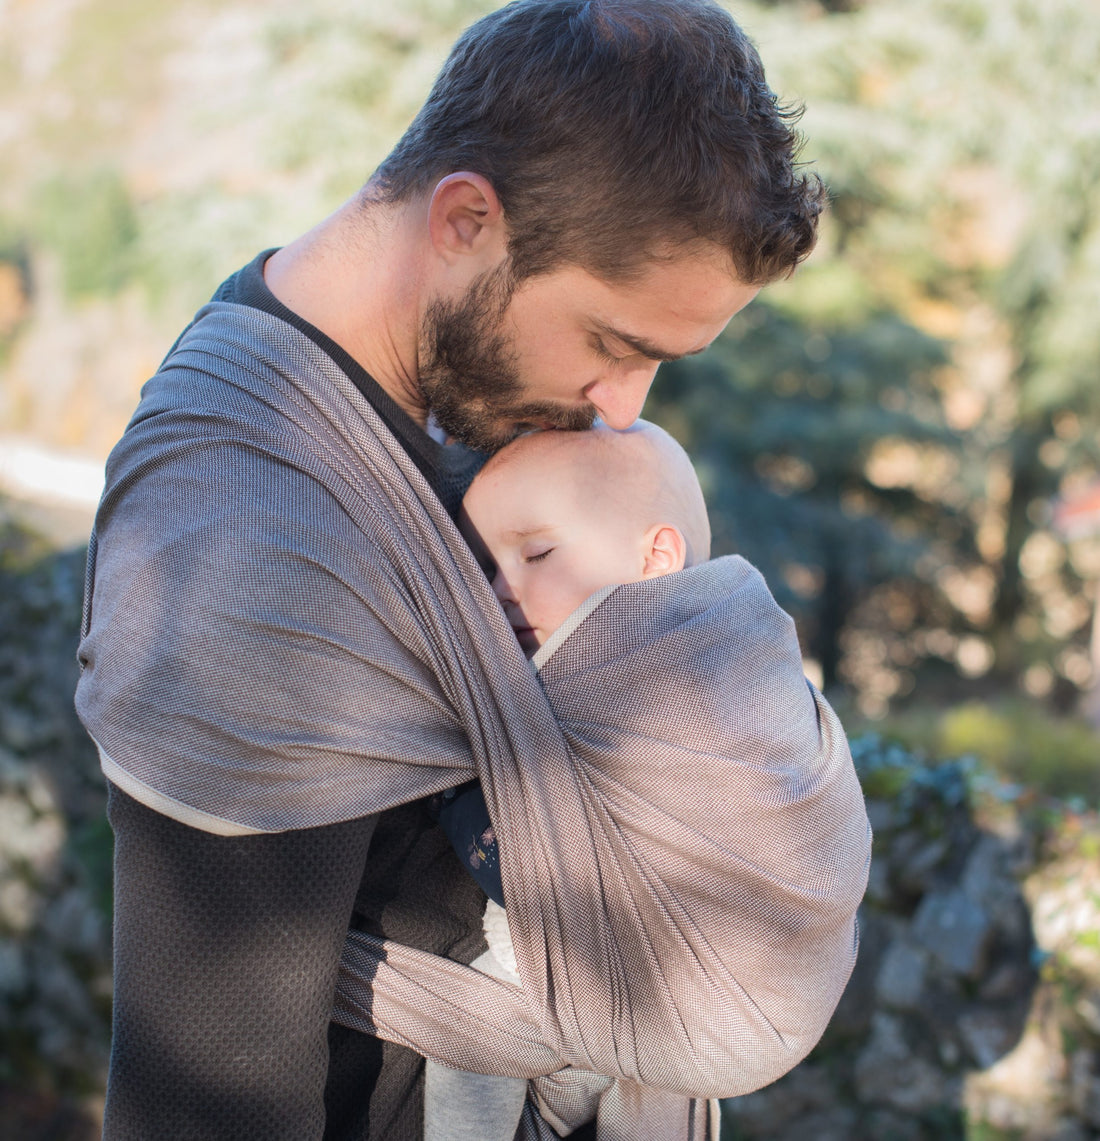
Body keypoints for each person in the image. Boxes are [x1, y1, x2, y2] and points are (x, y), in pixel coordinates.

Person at [74, 1, 828, 1137]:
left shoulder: (459, 401)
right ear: (466, 219)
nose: (625, 412)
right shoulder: (250, 531)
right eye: (614, 345)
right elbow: (206, 1091)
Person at [424, 420, 725, 1140]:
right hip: (557, 990)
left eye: (536, 553)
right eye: (487, 566)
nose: (498, 590)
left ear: (656, 556)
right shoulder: (532, 686)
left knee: (473, 1047)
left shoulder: (701, 690)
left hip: (652, 988)